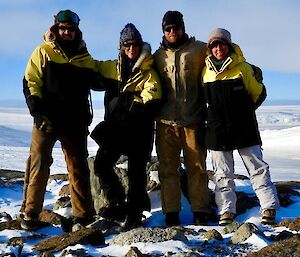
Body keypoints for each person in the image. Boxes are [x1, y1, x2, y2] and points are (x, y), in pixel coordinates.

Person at [21, 10, 101, 231]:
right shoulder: (43, 52)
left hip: (75, 122)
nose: (67, 32)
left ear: (76, 31)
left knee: (78, 167)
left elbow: (101, 73)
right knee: (38, 164)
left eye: (71, 29)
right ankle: (30, 214)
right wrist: (36, 110)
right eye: (63, 28)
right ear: (56, 29)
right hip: (46, 119)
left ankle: (83, 215)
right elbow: (30, 80)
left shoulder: (85, 58)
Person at [201, 28, 280, 226]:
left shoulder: (242, 68)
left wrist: (243, 112)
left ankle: (269, 207)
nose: (218, 49)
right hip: (217, 131)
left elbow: (258, 93)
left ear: (228, 45)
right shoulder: (205, 72)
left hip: (244, 128)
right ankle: (227, 211)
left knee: (257, 168)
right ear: (210, 49)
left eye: (222, 44)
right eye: (214, 45)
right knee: (222, 173)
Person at [90, 23, 162, 231]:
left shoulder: (148, 71)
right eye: (127, 45)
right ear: (121, 46)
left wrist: (131, 104)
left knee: (136, 173)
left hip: (140, 130)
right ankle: (116, 203)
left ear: (140, 45)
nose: (131, 49)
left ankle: (134, 213)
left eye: (135, 45)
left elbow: (152, 99)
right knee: (102, 164)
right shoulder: (111, 68)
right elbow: (90, 67)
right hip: (115, 128)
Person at [153, 11, 210, 226]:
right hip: (165, 123)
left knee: (197, 167)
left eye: (175, 27)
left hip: (193, 120)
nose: (172, 32)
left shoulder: (199, 50)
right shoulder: (157, 56)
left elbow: (222, 56)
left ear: (183, 27)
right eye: (168, 29)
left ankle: (201, 211)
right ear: (164, 31)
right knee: (168, 169)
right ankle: (171, 213)